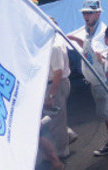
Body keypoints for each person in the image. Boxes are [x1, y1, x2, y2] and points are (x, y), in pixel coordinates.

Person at [66, 0, 108, 166]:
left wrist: (101, 56)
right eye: (84, 13)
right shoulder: (89, 31)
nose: (86, 16)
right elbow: (88, 48)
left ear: (98, 14)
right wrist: (76, 40)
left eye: (89, 13)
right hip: (95, 81)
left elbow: (105, 54)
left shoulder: (102, 34)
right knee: (107, 115)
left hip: (102, 82)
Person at [41, 18, 72, 160]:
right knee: (57, 117)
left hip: (56, 85)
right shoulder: (57, 41)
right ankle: (68, 135)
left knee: (55, 120)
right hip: (58, 84)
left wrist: (51, 95)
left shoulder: (53, 46)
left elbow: (58, 72)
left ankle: (62, 150)